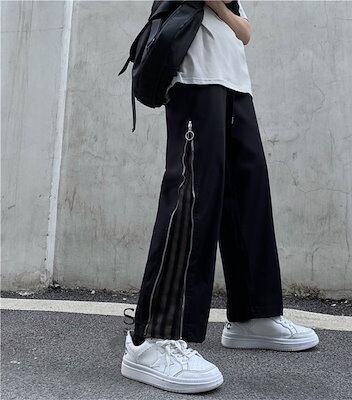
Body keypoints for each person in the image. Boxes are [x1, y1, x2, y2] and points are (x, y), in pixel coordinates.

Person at [121, 0, 319, 394]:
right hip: (194, 75)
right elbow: (233, 21)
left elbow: (245, 32)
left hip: (234, 80)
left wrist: (226, 16)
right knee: (192, 196)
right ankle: (152, 339)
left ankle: (253, 315)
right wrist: (229, 17)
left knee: (247, 196)